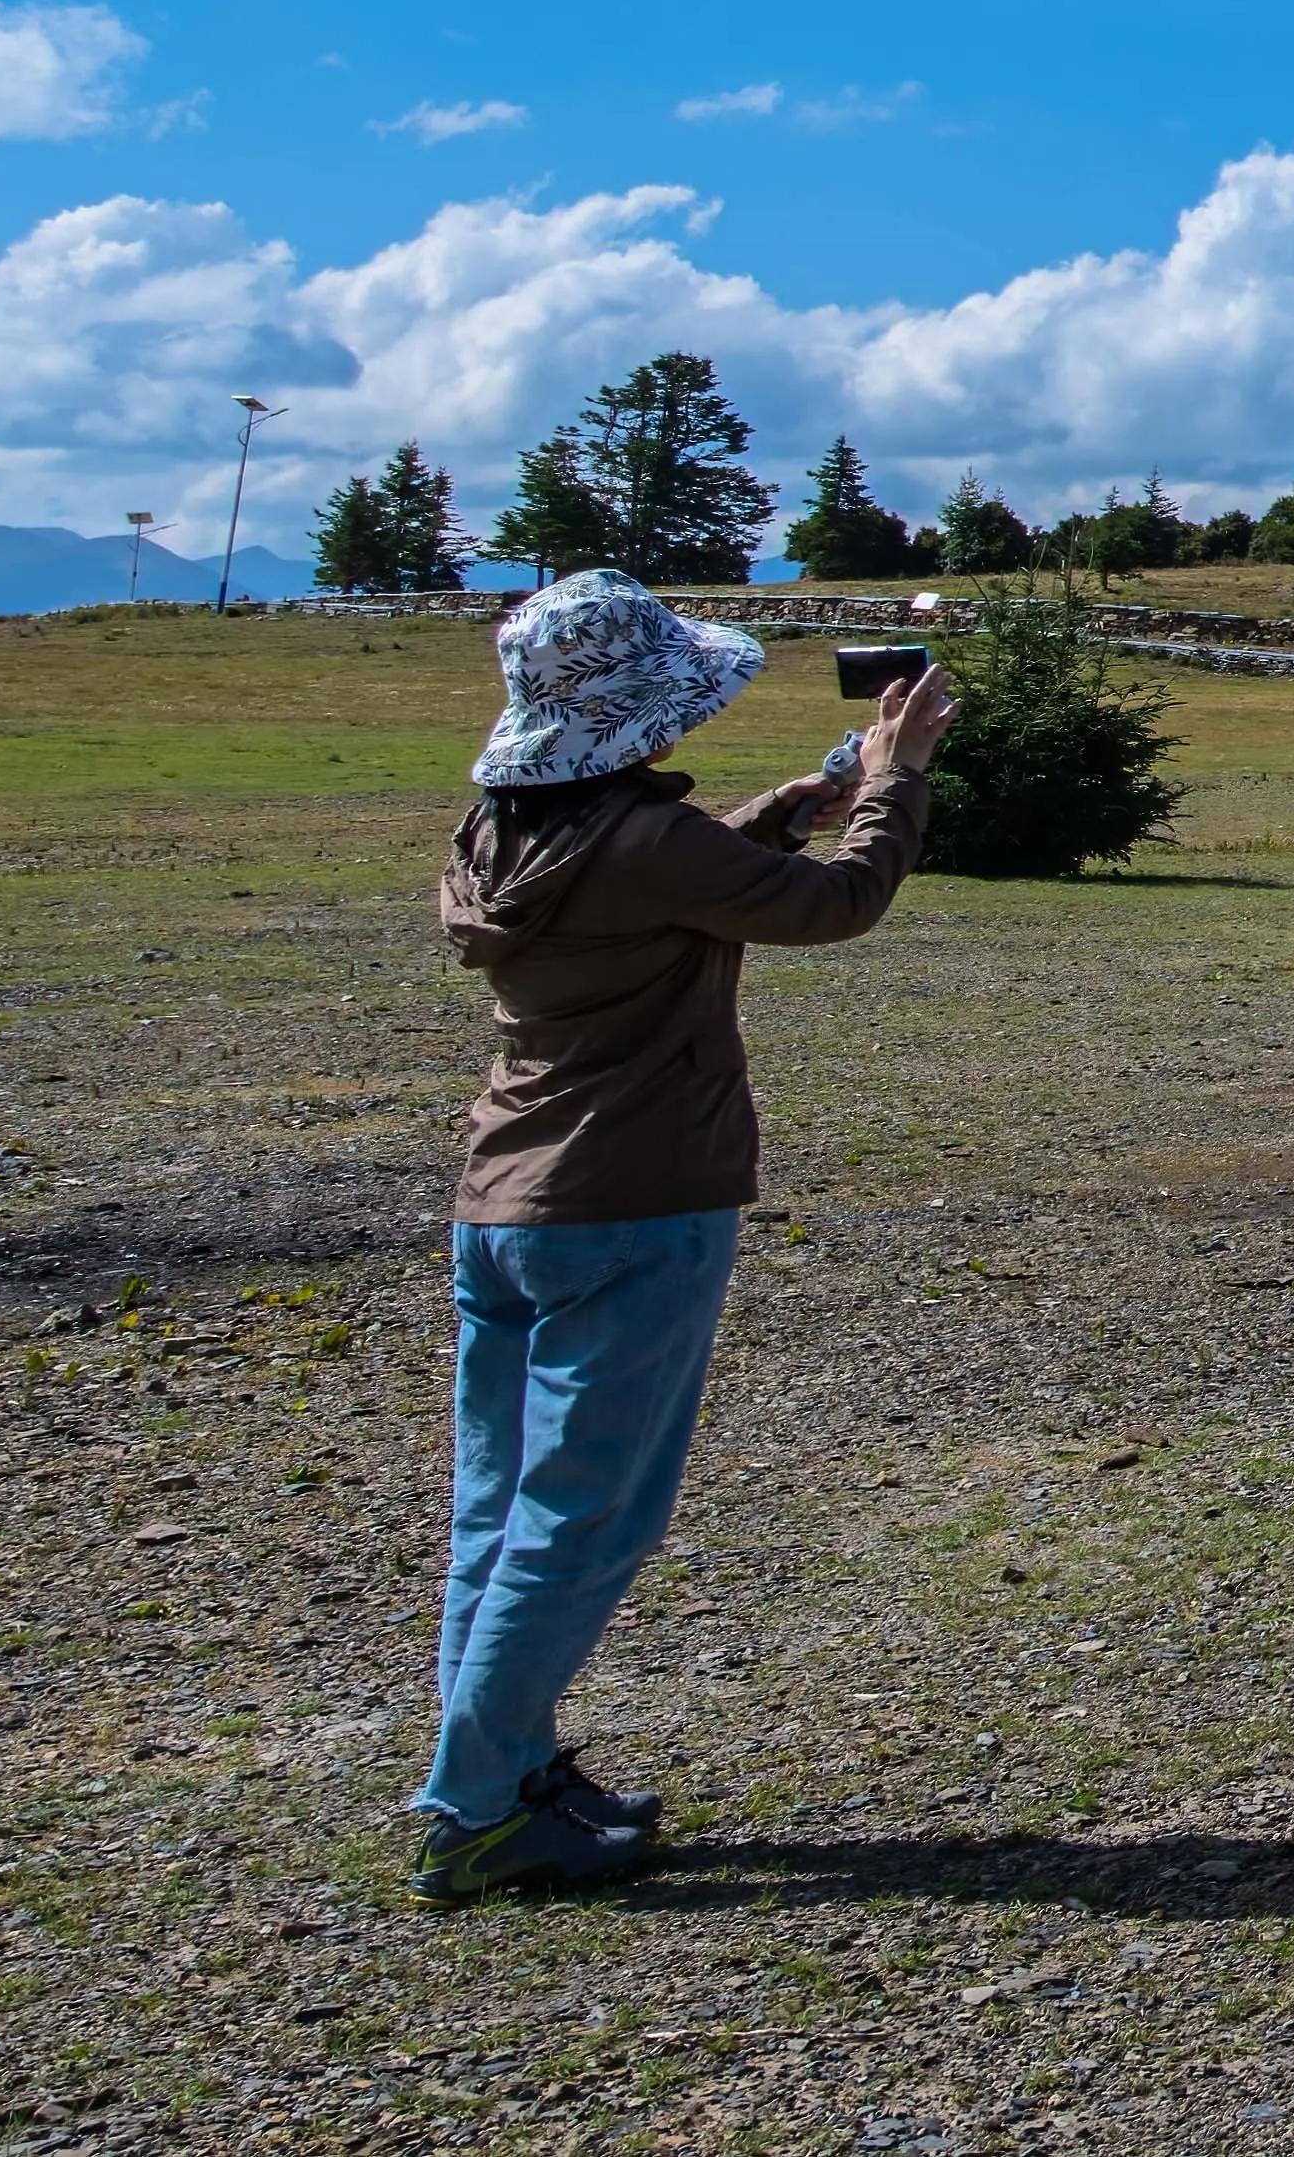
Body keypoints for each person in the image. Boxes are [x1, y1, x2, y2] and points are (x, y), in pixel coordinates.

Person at [410, 570, 948, 1906]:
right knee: (584, 1519)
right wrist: (893, 776)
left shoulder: (500, 838)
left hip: (503, 1201)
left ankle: (512, 1768)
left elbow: (682, 872)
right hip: (634, 1200)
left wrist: (800, 796)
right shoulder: (644, 846)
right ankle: (475, 1807)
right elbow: (834, 904)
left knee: (501, 1511)